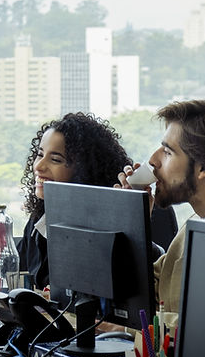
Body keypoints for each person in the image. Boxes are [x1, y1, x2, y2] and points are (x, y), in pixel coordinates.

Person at [118, 99, 205, 314]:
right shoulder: (195, 223)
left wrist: (124, 330)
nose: (153, 160)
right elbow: (149, 293)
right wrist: (133, 217)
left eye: (167, 152)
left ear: (204, 167)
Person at [17, 112, 135, 289]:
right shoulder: (38, 222)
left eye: (55, 159)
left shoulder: (101, 232)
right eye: (40, 155)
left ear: (84, 171)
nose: (38, 166)